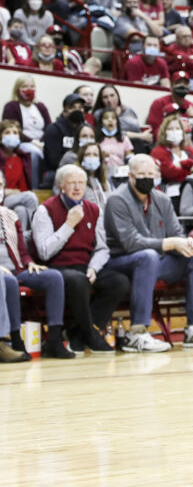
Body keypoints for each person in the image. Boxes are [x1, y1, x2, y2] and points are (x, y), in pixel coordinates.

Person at [103, 154, 193, 352]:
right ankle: (137, 333)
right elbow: (130, 242)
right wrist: (171, 243)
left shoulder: (162, 199)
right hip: (121, 262)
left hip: (154, 262)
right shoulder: (117, 200)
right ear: (131, 176)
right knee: (148, 256)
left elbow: (176, 233)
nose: (147, 178)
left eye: (151, 174)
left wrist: (187, 243)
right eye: (142, 174)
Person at [32, 165, 130, 354]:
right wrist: (69, 225)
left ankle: (77, 333)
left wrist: (94, 267)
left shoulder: (94, 210)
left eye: (81, 183)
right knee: (78, 281)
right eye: (72, 183)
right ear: (61, 186)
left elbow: (102, 248)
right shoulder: (45, 210)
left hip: (85, 266)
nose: (77, 188)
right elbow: (44, 252)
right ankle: (91, 336)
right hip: (56, 267)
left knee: (119, 282)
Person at [0, 173, 73, 359]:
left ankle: (54, 339)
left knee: (54, 277)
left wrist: (30, 263)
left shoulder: (10, 215)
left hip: (16, 269)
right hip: (3, 274)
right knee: (8, 281)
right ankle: (15, 339)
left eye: (0, 185)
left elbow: (21, 251)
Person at [0, 121, 39, 225]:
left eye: (15, 133)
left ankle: (23, 235)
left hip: (14, 198)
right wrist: (7, 191)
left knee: (21, 210)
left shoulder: (22, 158)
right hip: (2, 198)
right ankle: (36, 229)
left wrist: (14, 192)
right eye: (7, 132)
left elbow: (23, 188)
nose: (11, 135)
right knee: (30, 197)